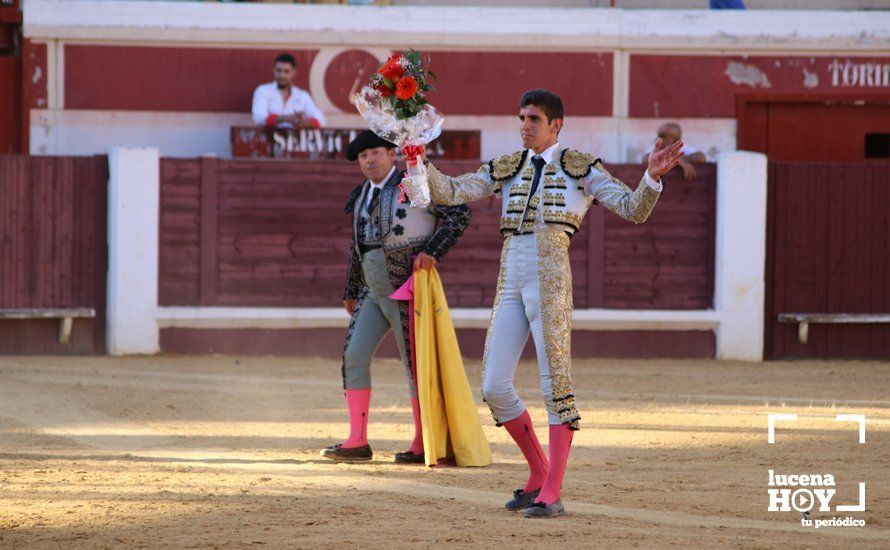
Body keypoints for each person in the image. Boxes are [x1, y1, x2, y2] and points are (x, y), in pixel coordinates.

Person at [409, 89, 683, 517]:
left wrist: (650, 177)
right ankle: (538, 472)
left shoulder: (580, 168)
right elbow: (452, 191)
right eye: (521, 117)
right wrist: (417, 158)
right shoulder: (509, 165)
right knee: (494, 386)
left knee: (555, 385)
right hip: (510, 276)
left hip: (551, 277)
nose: (524, 125)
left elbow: (633, 210)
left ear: (556, 125)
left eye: (533, 119)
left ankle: (552, 490)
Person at [320, 130, 472, 464]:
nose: (369, 160)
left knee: (415, 367)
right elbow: (356, 246)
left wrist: (433, 251)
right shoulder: (360, 194)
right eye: (363, 156)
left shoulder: (414, 183)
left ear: (392, 154)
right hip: (373, 292)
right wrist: (350, 289)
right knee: (353, 356)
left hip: (407, 290)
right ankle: (357, 440)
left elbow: (460, 214)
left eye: (375, 152)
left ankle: (422, 442)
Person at [251, 53, 326, 129]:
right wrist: (287, 118)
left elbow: (321, 121)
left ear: (293, 72)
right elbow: (258, 118)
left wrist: (304, 122)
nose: (282, 75)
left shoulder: (302, 96)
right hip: (267, 139)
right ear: (274, 70)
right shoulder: (262, 91)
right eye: (279, 71)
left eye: (286, 71)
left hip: (294, 140)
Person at [641, 122, 706, 179]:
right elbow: (644, 159)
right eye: (659, 135)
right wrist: (675, 159)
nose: (658, 137)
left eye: (662, 136)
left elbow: (701, 158)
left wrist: (680, 159)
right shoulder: (656, 147)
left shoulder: (682, 147)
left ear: (675, 139)